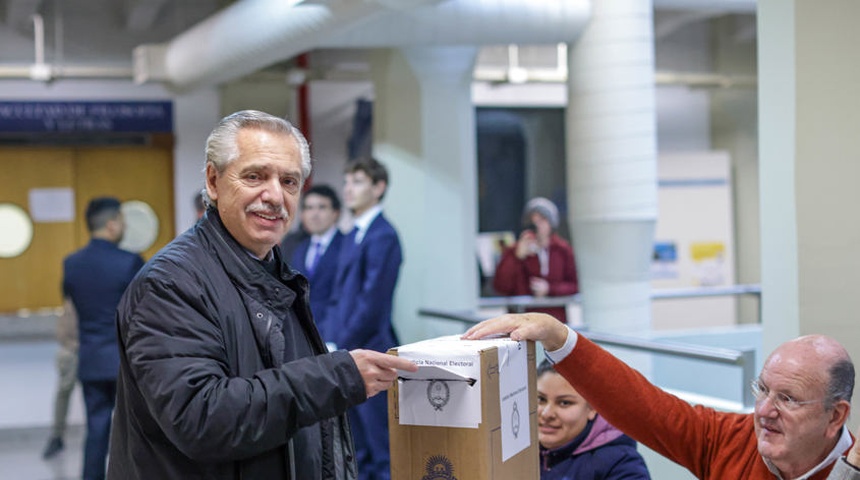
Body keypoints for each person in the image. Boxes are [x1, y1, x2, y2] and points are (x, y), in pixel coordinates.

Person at [106, 110, 416, 480]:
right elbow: (202, 419)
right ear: (213, 180)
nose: (274, 196)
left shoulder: (274, 273)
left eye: (289, 181)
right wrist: (336, 377)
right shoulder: (171, 284)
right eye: (255, 176)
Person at [463, 313, 855, 480]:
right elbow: (644, 407)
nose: (765, 411)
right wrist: (559, 337)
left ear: (835, 416)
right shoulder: (731, 441)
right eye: (762, 390)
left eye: (787, 399)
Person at [323, 156, 403, 480]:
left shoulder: (383, 235)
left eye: (357, 182)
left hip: (371, 349)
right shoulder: (353, 233)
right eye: (346, 182)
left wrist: (339, 343)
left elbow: (372, 304)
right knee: (356, 445)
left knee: (379, 444)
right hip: (347, 352)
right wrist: (327, 340)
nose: (348, 189)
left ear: (378, 187)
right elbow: (337, 296)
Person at [63, 196, 145, 480]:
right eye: (122, 221)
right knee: (136, 430)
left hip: (91, 360)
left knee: (96, 430)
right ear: (112, 225)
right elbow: (143, 311)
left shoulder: (71, 264)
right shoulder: (130, 262)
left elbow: (71, 308)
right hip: (126, 361)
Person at [536, 359, 650, 479]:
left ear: (593, 407)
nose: (546, 414)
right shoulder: (520, 446)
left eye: (564, 403)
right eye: (540, 399)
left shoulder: (621, 465)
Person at [493, 197, 578, 322]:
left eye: (542, 220)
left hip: (554, 321)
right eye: (532, 221)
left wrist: (550, 289)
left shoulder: (562, 250)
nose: (537, 225)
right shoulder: (514, 251)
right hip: (521, 321)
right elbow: (500, 286)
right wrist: (516, 257)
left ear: (551, 223)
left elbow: (575, 285)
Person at [290, 184, 344, 326]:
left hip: (337, 332)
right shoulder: (299, 248)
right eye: (309, 208)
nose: (314, 214)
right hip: (304, 330)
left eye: (322, 207)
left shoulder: (348, 246)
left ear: (336, 213)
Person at [41, 298, 79, 459]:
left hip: (95, 348)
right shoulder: (73, 295)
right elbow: (64, 330)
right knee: (63, 392)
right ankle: (57, 436)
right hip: (72, 349)